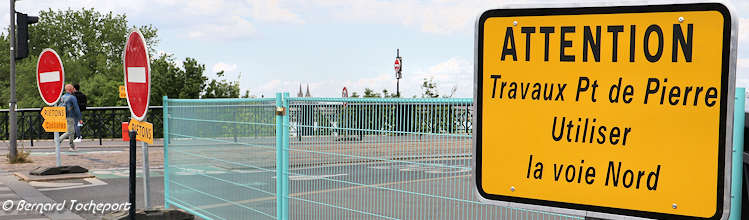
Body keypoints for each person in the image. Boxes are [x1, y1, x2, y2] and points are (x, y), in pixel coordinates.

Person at [58, 84, 82, 151]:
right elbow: (76, 108)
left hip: (64, 115)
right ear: (71, 89)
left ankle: (72, 146)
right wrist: (80, 118)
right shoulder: (72, 97)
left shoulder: (62, 97)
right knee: (70, 131)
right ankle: (58, 140)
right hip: (70, 116)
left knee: (71, 131)